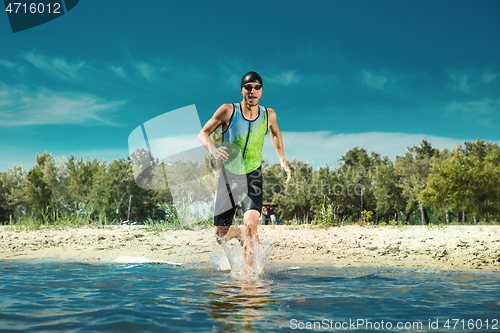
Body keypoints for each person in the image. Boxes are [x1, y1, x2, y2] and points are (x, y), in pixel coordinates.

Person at [198, 71, 291, 269]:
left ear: (262, 91)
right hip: (229, 176)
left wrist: (282, 160)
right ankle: (237, 233)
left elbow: (275, 133)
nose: (253, 91)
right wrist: (213, 150)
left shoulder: (269, 115)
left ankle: (249, 281)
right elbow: (203, 133)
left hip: (252, 175)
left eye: (257, 87)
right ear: (242, 90)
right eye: (248, 87)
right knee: (219, 235)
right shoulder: (228, 111)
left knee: (251, 226)